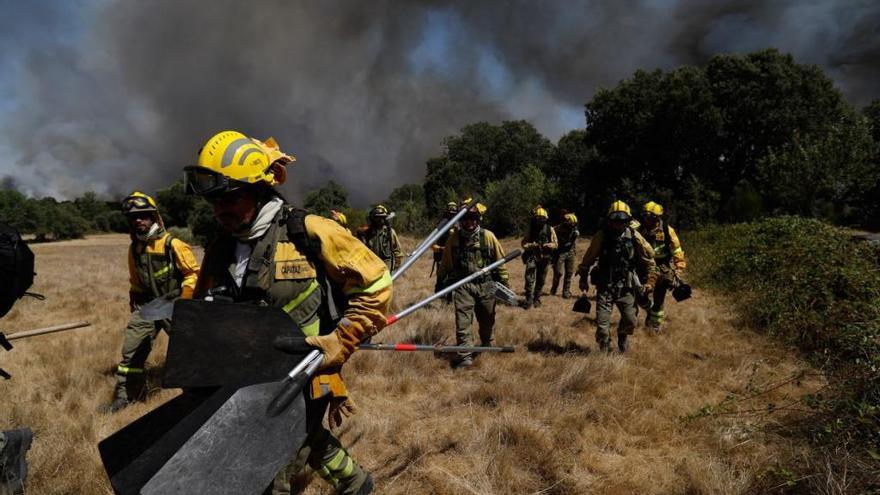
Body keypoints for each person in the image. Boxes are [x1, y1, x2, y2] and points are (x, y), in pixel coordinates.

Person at [184, 130, 391, 495]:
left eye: (229, 199)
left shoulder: (308, 231)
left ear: (259, 189)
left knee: (267, 478)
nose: (220, 210)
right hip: (247, 379)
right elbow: (202, 316)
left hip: (307, 376)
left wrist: (342, 340)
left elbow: (375, 284)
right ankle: (356, 483)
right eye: (213, 202)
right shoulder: (220, 249)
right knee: (307, 441)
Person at [100, 192, 200, 413]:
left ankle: (198, 398)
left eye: (143, 216)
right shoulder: (134, 248)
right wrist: (133, 297)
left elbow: (193, 275)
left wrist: (185, 304)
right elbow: (136, 279)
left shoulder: (173, 244)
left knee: (190, 352)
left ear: (154, 217)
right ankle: (125, 398)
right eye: (134, 217)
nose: (138, 220)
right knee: (131, 351)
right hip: (147, 307)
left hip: (175, 307)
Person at [576, 201, 657, 353]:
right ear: (609, 220)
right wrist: (583, 278)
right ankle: (604, 348)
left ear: (628, 221)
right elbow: (588, 258)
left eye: (622, 221)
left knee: (630, 320)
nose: (618, 224)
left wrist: (650, 281)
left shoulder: (634, 236)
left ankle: (623, 336)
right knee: (602, 326)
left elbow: (650, 258)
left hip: (626, 287)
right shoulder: (601, 236)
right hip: (605, 286)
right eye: (615, 220)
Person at [437, 201, 509, 369]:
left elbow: (500, 262)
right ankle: (465, 356)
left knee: (487, 321)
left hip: (488, 284)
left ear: (478, 220)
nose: (469, 222)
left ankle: (486, 344)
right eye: (466, 219)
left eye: (473, 218)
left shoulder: (488, 237)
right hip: (463, 286)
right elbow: (446, 264)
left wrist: (504, 283)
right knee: (463, 323)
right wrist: (441, 284)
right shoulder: (453, 239)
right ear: (460, 221)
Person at [637, 201, 687, 332]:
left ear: (657, 217)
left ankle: (655, 328)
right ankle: (649, 308)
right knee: (639, 294)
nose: (647, 219)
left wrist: (679, 268)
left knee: (659, 300)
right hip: (643, 267)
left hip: (662, 268)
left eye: (651, 217)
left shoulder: (667, 231)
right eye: (645, 216)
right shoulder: (638, 230)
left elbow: (677, 250)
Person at [520, 206, 557, 308]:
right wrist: (531, 245)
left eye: (542, 219)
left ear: (546, 219)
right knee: (529, 278)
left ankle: (537, 298)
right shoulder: (530, 228)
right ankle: (528, 299)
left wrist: (548, 245)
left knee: (541, 279)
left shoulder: (550, 229)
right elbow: (524, 243)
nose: (540, 221)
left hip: (545, 257)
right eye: (538, 219)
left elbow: (555, 244)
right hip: (532, 255)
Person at [357, 205, 402, 271]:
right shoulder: (367, 233)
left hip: (386, 264)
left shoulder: (390, 232)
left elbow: (397, 250)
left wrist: (397, 265)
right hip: (371, 264)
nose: (378, 221)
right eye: (376, 218)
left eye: (380, 218)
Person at [431, 201, 459, 293]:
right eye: (450, 214)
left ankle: (451, 297)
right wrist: (440, 249)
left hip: (455, 256)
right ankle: (439, 295)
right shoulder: (440, 227)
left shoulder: (459, 225)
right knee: (441, 277)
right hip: (442, 256)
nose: (452, 216)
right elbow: (432, 244)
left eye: (454, 214)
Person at [550, 213, 579, 299]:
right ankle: (554, 289)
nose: (572, 226)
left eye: (574, 224)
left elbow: (573, 241)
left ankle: (566, 292)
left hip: (570, 252)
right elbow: (551, 234)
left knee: (569, 273)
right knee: (558, 273)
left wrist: (575, 236)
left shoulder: (574, 230)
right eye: (571, 224)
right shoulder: (557, 229)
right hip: (560, 253)